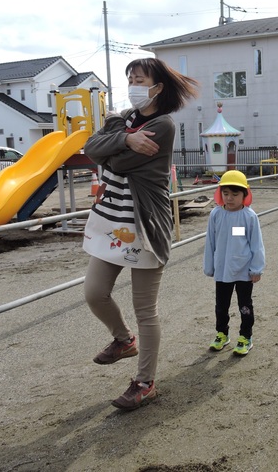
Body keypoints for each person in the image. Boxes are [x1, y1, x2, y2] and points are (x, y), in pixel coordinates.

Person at [82, 58, 198, 411]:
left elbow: (114, 163)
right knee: (94, 293)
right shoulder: (125, 119)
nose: (133, 82)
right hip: (113, 222)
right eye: (130, 77)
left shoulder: (163, 125)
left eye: (140, 77)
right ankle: (123, 339)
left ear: (157, 86)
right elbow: (90, 149)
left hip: (146, 226)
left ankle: (145, 381)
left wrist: (116, 146)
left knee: (145, 309)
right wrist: (124, 136)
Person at [203, 170, 265, 356]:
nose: (229, 198)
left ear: (245, 194)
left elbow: (256, 244)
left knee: (244, 306)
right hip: (222, 271)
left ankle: (246, 336)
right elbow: (210, 242)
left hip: (243, 271)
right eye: (226, 193)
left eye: (235, 194)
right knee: (221, 306)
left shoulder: (249, 217)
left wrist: (256, 269)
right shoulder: (216, 215)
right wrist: (209, 266)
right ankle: (222, 333)